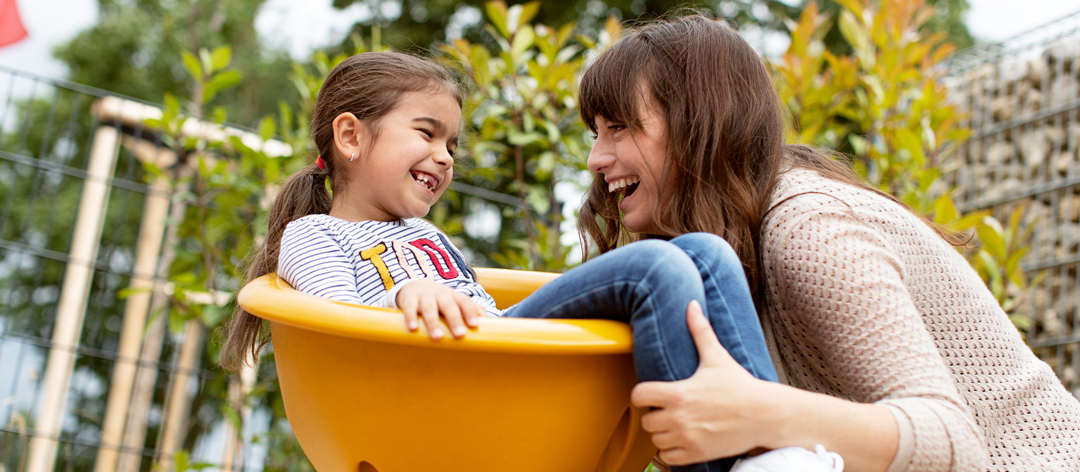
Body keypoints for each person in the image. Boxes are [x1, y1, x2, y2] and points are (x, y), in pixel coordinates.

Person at [220, 51, 817, 472]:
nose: (444, 157)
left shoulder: (426, 234)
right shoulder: (317, 234)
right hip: (450, 379)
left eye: (452, 145)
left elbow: (478, 299)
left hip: (498, 356)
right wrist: (402, 299)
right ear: (350, 137)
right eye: (427, 133)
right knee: (655, 268)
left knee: (706, 255)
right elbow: (338, 336)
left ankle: (769, 453)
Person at [574, 13, 1080, 472]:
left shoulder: (807, 228)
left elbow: (952, 444)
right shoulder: (723, 246)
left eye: (620, 127)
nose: (597, 158)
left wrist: (758, 412)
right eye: (595, 132)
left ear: (696, 124)